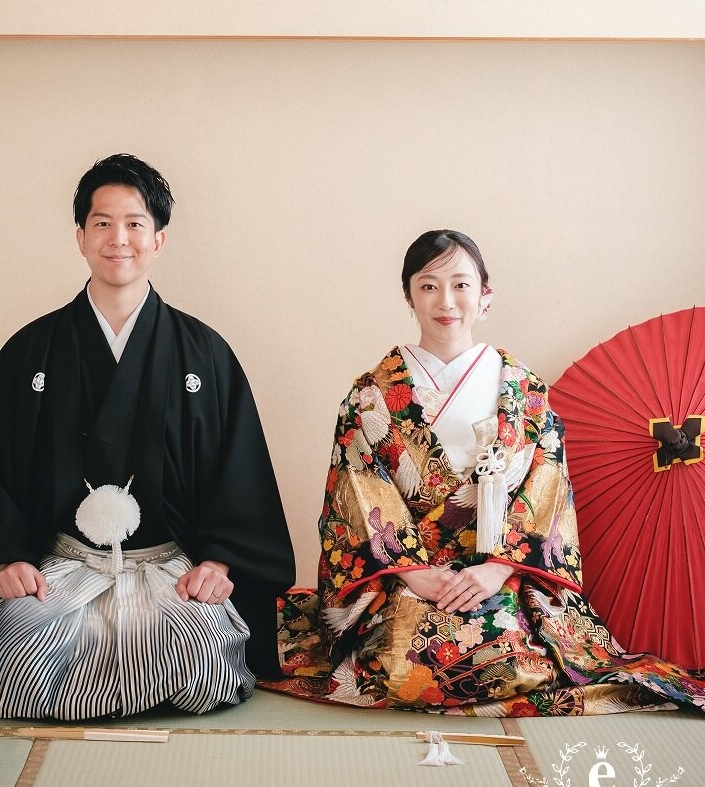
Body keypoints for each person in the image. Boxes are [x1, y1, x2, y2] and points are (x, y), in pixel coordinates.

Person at [0, 154, 294, 718]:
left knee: (199, 664)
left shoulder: (204, 354)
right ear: (80, 236)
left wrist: (219, 563)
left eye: (136, 224)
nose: (120, 238)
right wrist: (7, 558)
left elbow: (238, 475)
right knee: (18, 667)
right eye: (102, 223)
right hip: (59, 569)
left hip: (171, 570)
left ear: (158, 239)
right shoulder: (31, 352)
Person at [263, 229, 705, 714]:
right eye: (428, 285)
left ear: (484, 296)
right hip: (407, 574)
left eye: (461, 284)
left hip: (499, 571)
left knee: (513, 661)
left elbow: (548, 491)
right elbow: (358, 494)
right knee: (400, 668)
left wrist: (497, 568)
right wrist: (414, 572)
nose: (445, 300)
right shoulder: (370, 395)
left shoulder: (523, 390)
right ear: (408, 296)